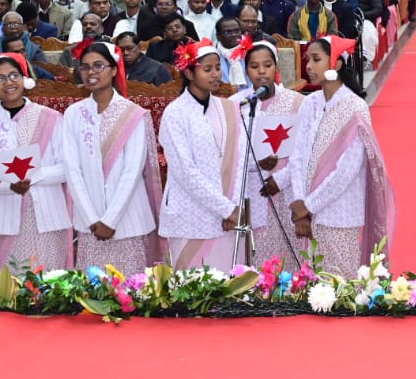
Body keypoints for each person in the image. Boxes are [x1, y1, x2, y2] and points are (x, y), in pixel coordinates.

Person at [276, 36, 394, 276]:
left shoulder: (355, 107)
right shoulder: (310, 103)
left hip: (340, 213)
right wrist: (299, 201)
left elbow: (346, 171)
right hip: (305, 213)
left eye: (316, 59)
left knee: (341, 286)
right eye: (308, 59)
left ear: (337, 64)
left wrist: (308, 205)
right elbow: (297, 156)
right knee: (311, 287)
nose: (309, 66)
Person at [61, 40, 163, 272]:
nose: (91, 72)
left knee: (130, 289)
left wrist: (110, 220)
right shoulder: (73, 114)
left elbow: (132, 170)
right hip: (90, 225)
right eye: (85, 67)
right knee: (93, 289)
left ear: (114, 69)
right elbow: (72, 169)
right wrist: (91, 219)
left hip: (129, 221)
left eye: (99, 65)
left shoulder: (133, 114)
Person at [0, 51, 72, 273]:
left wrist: (32, 177)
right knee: (10, 287)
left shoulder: (51, 118)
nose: (8, 82)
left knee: (50, 284)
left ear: (24, 79)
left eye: (13, 75)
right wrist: (10, 186)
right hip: (5, 219)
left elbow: (67, 168)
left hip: (48, 217)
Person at [158, 40, 247, 269]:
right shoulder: (175, 113)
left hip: (229, 216)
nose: (215, 74)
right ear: (189, 73)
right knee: (192, 284)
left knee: (229, 281)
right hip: (189, 213)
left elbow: (240, 161)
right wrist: (226, 208)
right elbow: (184, 172)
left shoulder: (229, 108)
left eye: (217, 67)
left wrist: (234, 205)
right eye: (207, 69)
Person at [235, 36, 305, 266]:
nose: (261, 72)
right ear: (246, 70)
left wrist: (281, 176)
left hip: (286, 186)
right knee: (257, 255)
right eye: (254, 67)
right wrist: (256, 164)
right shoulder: (238, 103)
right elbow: (230, 151)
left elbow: (303, 151)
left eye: (267, 65)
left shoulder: (297, 102)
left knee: (288, 253)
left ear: (276, 66)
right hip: (251, 188)